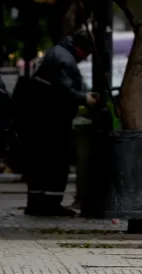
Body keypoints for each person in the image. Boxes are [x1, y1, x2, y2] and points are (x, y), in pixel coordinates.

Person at [18, 29, 97, 216]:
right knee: (56, 162)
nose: (86, 59)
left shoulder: (57, 53)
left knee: (40, 163)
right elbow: (64, 90)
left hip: (41, 117)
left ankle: (36, 203)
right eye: (87, 54)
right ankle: (51, 204)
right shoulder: (64, 59)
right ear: (81, 48)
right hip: (52, 119)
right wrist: (85, 98)